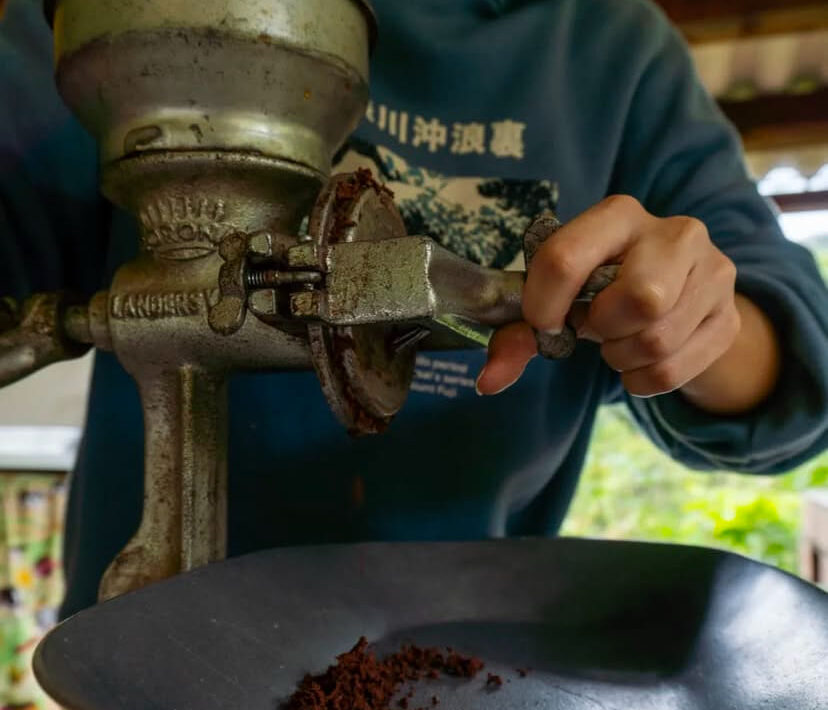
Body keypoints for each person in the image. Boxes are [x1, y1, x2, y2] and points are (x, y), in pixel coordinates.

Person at [1, 0, 826, 624]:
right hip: (160, 641)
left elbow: (795, 364)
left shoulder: (615, 48)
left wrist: (691, 321)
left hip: (461, 658)